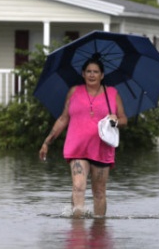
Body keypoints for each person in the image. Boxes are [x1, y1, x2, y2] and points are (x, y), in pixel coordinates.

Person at [39, 58, 127, 218]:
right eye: (88, 71)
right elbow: (63, 118)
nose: (92, 75)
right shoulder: (74, 92)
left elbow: (123, 120)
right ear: (83, 74)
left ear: (102, 75)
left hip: (102, 149)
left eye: (95, 72)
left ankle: (99, 228)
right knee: (78, 186)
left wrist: (115, 121)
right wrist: (47, 142)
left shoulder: (112, 93)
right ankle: (77, 228)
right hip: (77, 148)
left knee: (99, 192)